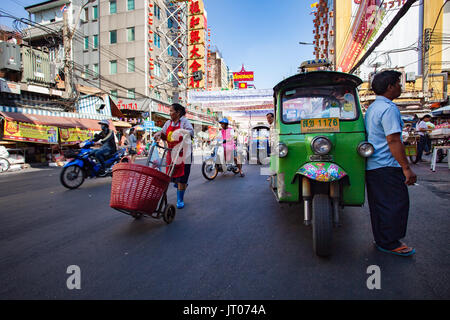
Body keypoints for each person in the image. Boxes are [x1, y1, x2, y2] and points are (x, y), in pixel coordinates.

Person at [364, 70, 417, 257]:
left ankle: (383, 239)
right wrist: (406, 168)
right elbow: (394, 140)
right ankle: (390, 242)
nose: (401, 87)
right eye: (398, 83)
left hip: (373, 166)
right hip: (387, 165)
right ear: (390, 87)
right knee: (396, 204)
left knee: (380, 205)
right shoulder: (388, 108)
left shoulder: (372, 108)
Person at [154, 103, 194, 209]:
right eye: (170, 111)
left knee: (182, 178)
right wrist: (158, 134)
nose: (170, 113)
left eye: (171, 111)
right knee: (172, 176)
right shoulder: (168, 122)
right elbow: (163, 133)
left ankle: (180, 199)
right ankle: (181, 185)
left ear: (178, 112)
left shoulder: (185, 121)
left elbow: (191, 132)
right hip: (172, 154)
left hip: (185, 154)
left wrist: (181, 131)